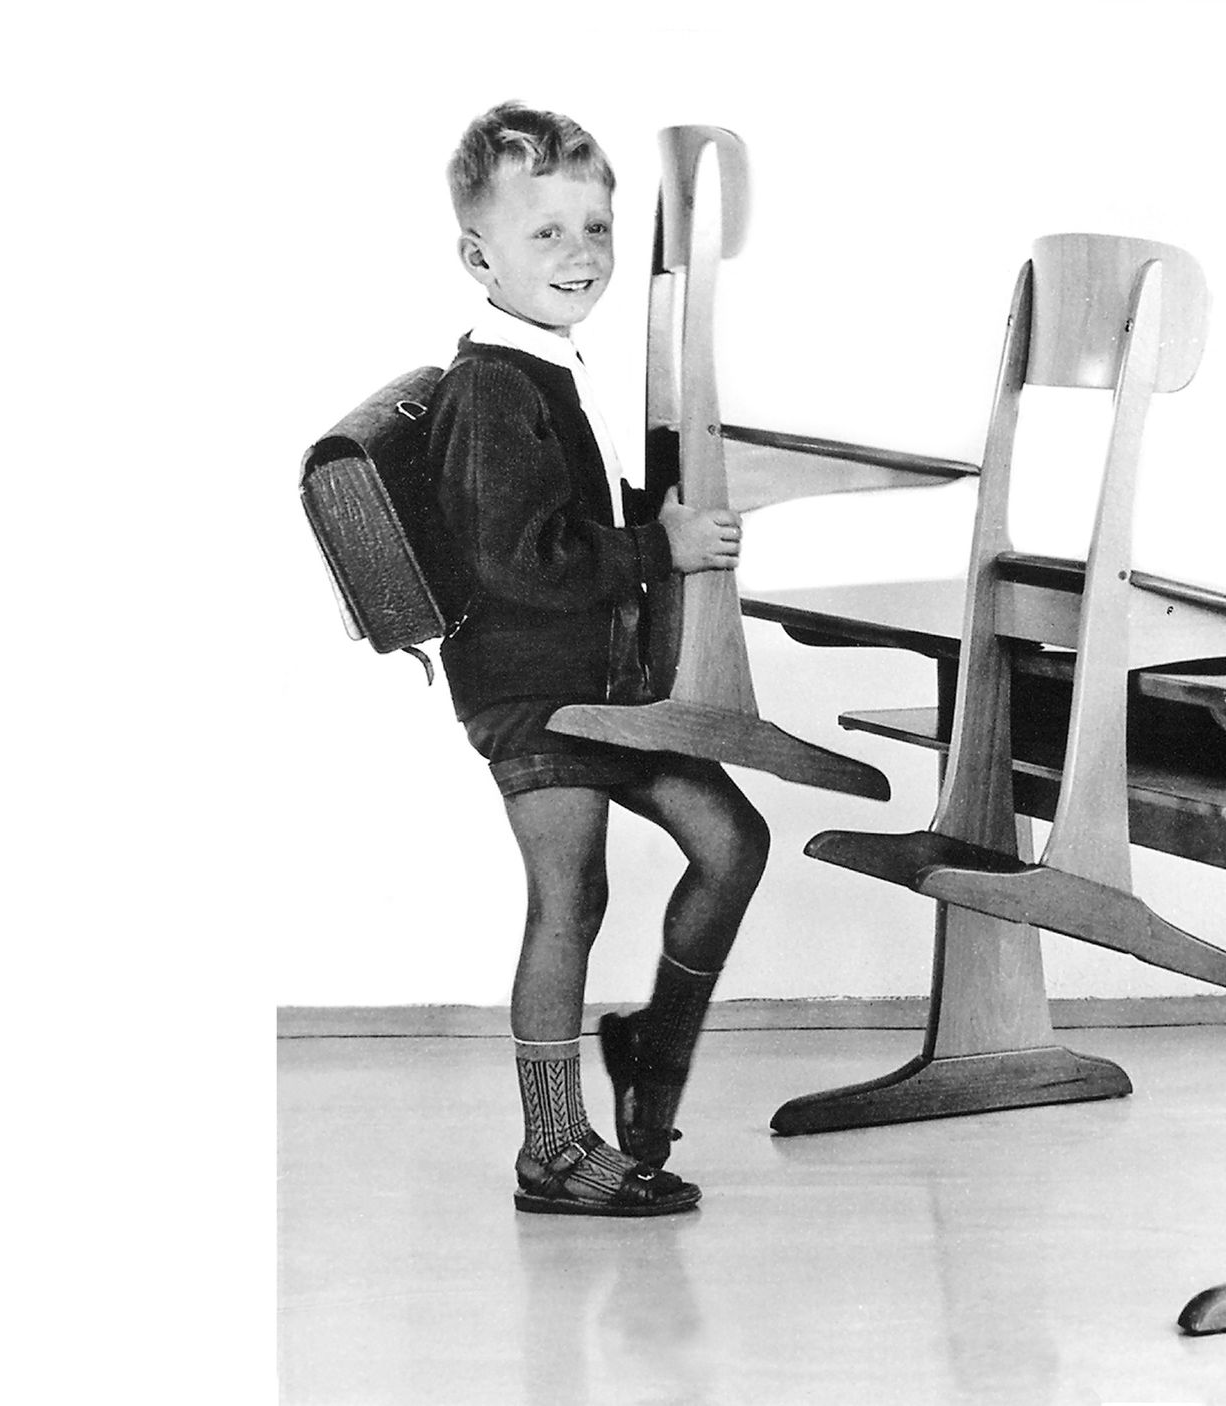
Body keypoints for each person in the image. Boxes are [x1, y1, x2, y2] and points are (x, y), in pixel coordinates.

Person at [431, 101, 769, 1216]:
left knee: (731, 839)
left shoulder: (551, 366)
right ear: (479, 255)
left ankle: (649, 1047)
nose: (579, 253)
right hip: (533, 690)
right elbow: (514, 559)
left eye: (596, 228)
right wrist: (652, 544)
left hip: (597, 684)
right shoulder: (492, 384)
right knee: (569, 896)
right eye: (545, 233)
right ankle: (551, 1149)